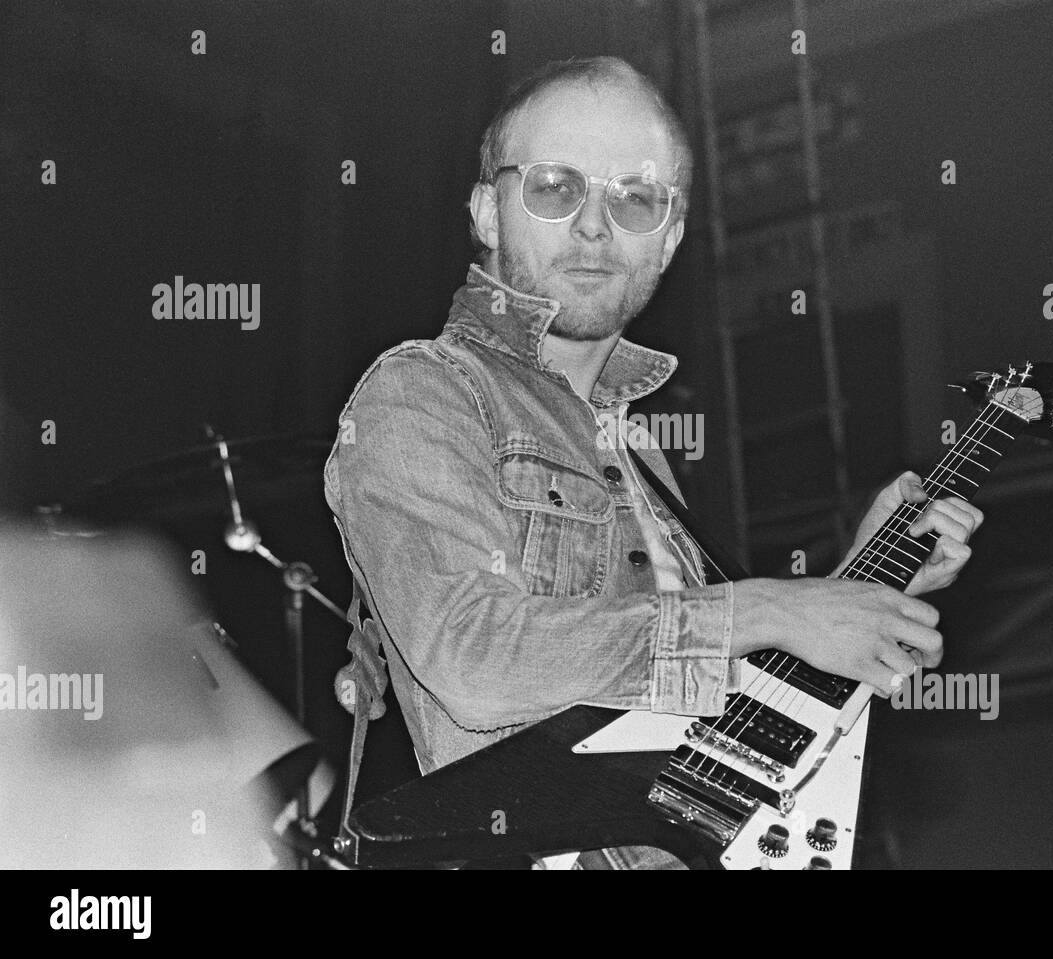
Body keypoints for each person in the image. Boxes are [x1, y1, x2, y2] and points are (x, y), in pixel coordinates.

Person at [324, 56, 981, 868]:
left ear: (668, 239)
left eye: (635, 199)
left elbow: (697, 689)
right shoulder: (422, 391)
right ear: (489, 213)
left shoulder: (636, 447)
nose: (596, 226)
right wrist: (776, 608)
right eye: (556, 188)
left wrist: (856, 588)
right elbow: (473, 656)